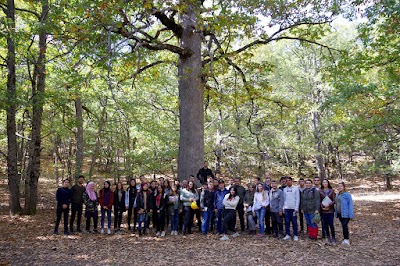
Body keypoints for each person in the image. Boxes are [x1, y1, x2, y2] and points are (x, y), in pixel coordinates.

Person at [282, 177, 300, 241]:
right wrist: (283, 207)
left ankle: (295, 235)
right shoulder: (284, 189)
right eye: (287, 181)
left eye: (289, 180)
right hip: (287, 208)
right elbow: (284, 199)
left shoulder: (295, 188)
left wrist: (296, 207)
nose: (288, 182)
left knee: (294, 222)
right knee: (287, 222)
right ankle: (288, 234)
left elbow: (297, 198)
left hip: (293, 208)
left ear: (292, 181)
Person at [320, 179, 336, 245]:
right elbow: (319, 200)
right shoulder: (320, 191)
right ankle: (328, 237)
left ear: (328, 183)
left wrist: (329, 205)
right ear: (322, 183)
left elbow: (334, 200)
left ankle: (333, 237)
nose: (325, 183)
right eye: (323, 182)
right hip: (323, 211)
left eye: (326, 182)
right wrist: (322, 206)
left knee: (331, 224)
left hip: (330, 210)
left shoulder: (331, 191)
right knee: (325, 224)